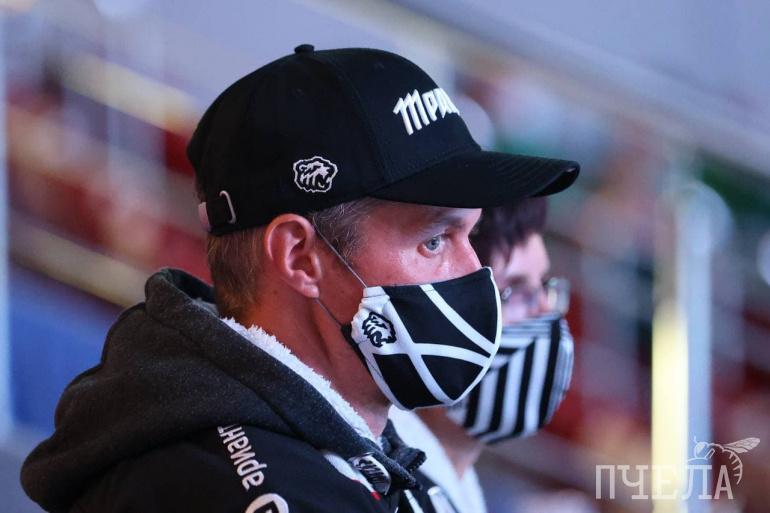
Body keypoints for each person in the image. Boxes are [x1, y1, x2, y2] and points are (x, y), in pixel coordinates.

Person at [20, 44, 579, 513]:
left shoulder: (353, 448)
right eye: (434, 241)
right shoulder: (251, 488)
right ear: (300, 258)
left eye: (470, 236)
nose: (474, 273)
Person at [390, 198, 575, 513]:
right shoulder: (389, 492)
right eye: (516, 291)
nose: (547, 312)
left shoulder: (448, 484)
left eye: (544, 286)